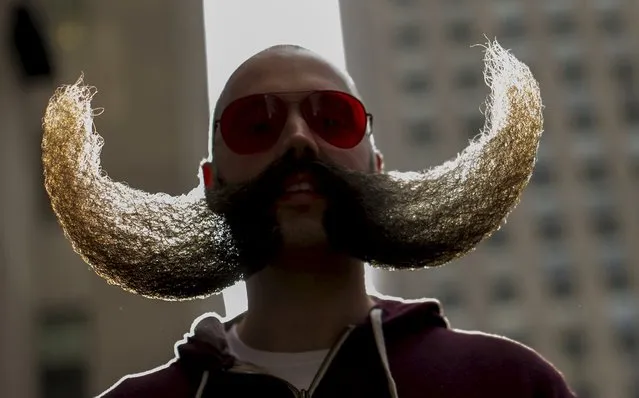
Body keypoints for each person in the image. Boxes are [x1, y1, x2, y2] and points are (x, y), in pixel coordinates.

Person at [42, 43, 577, 397]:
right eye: (256, 124)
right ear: (212, 185)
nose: (298, 139)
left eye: (332, 118)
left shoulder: (507, 383)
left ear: (377, 168)